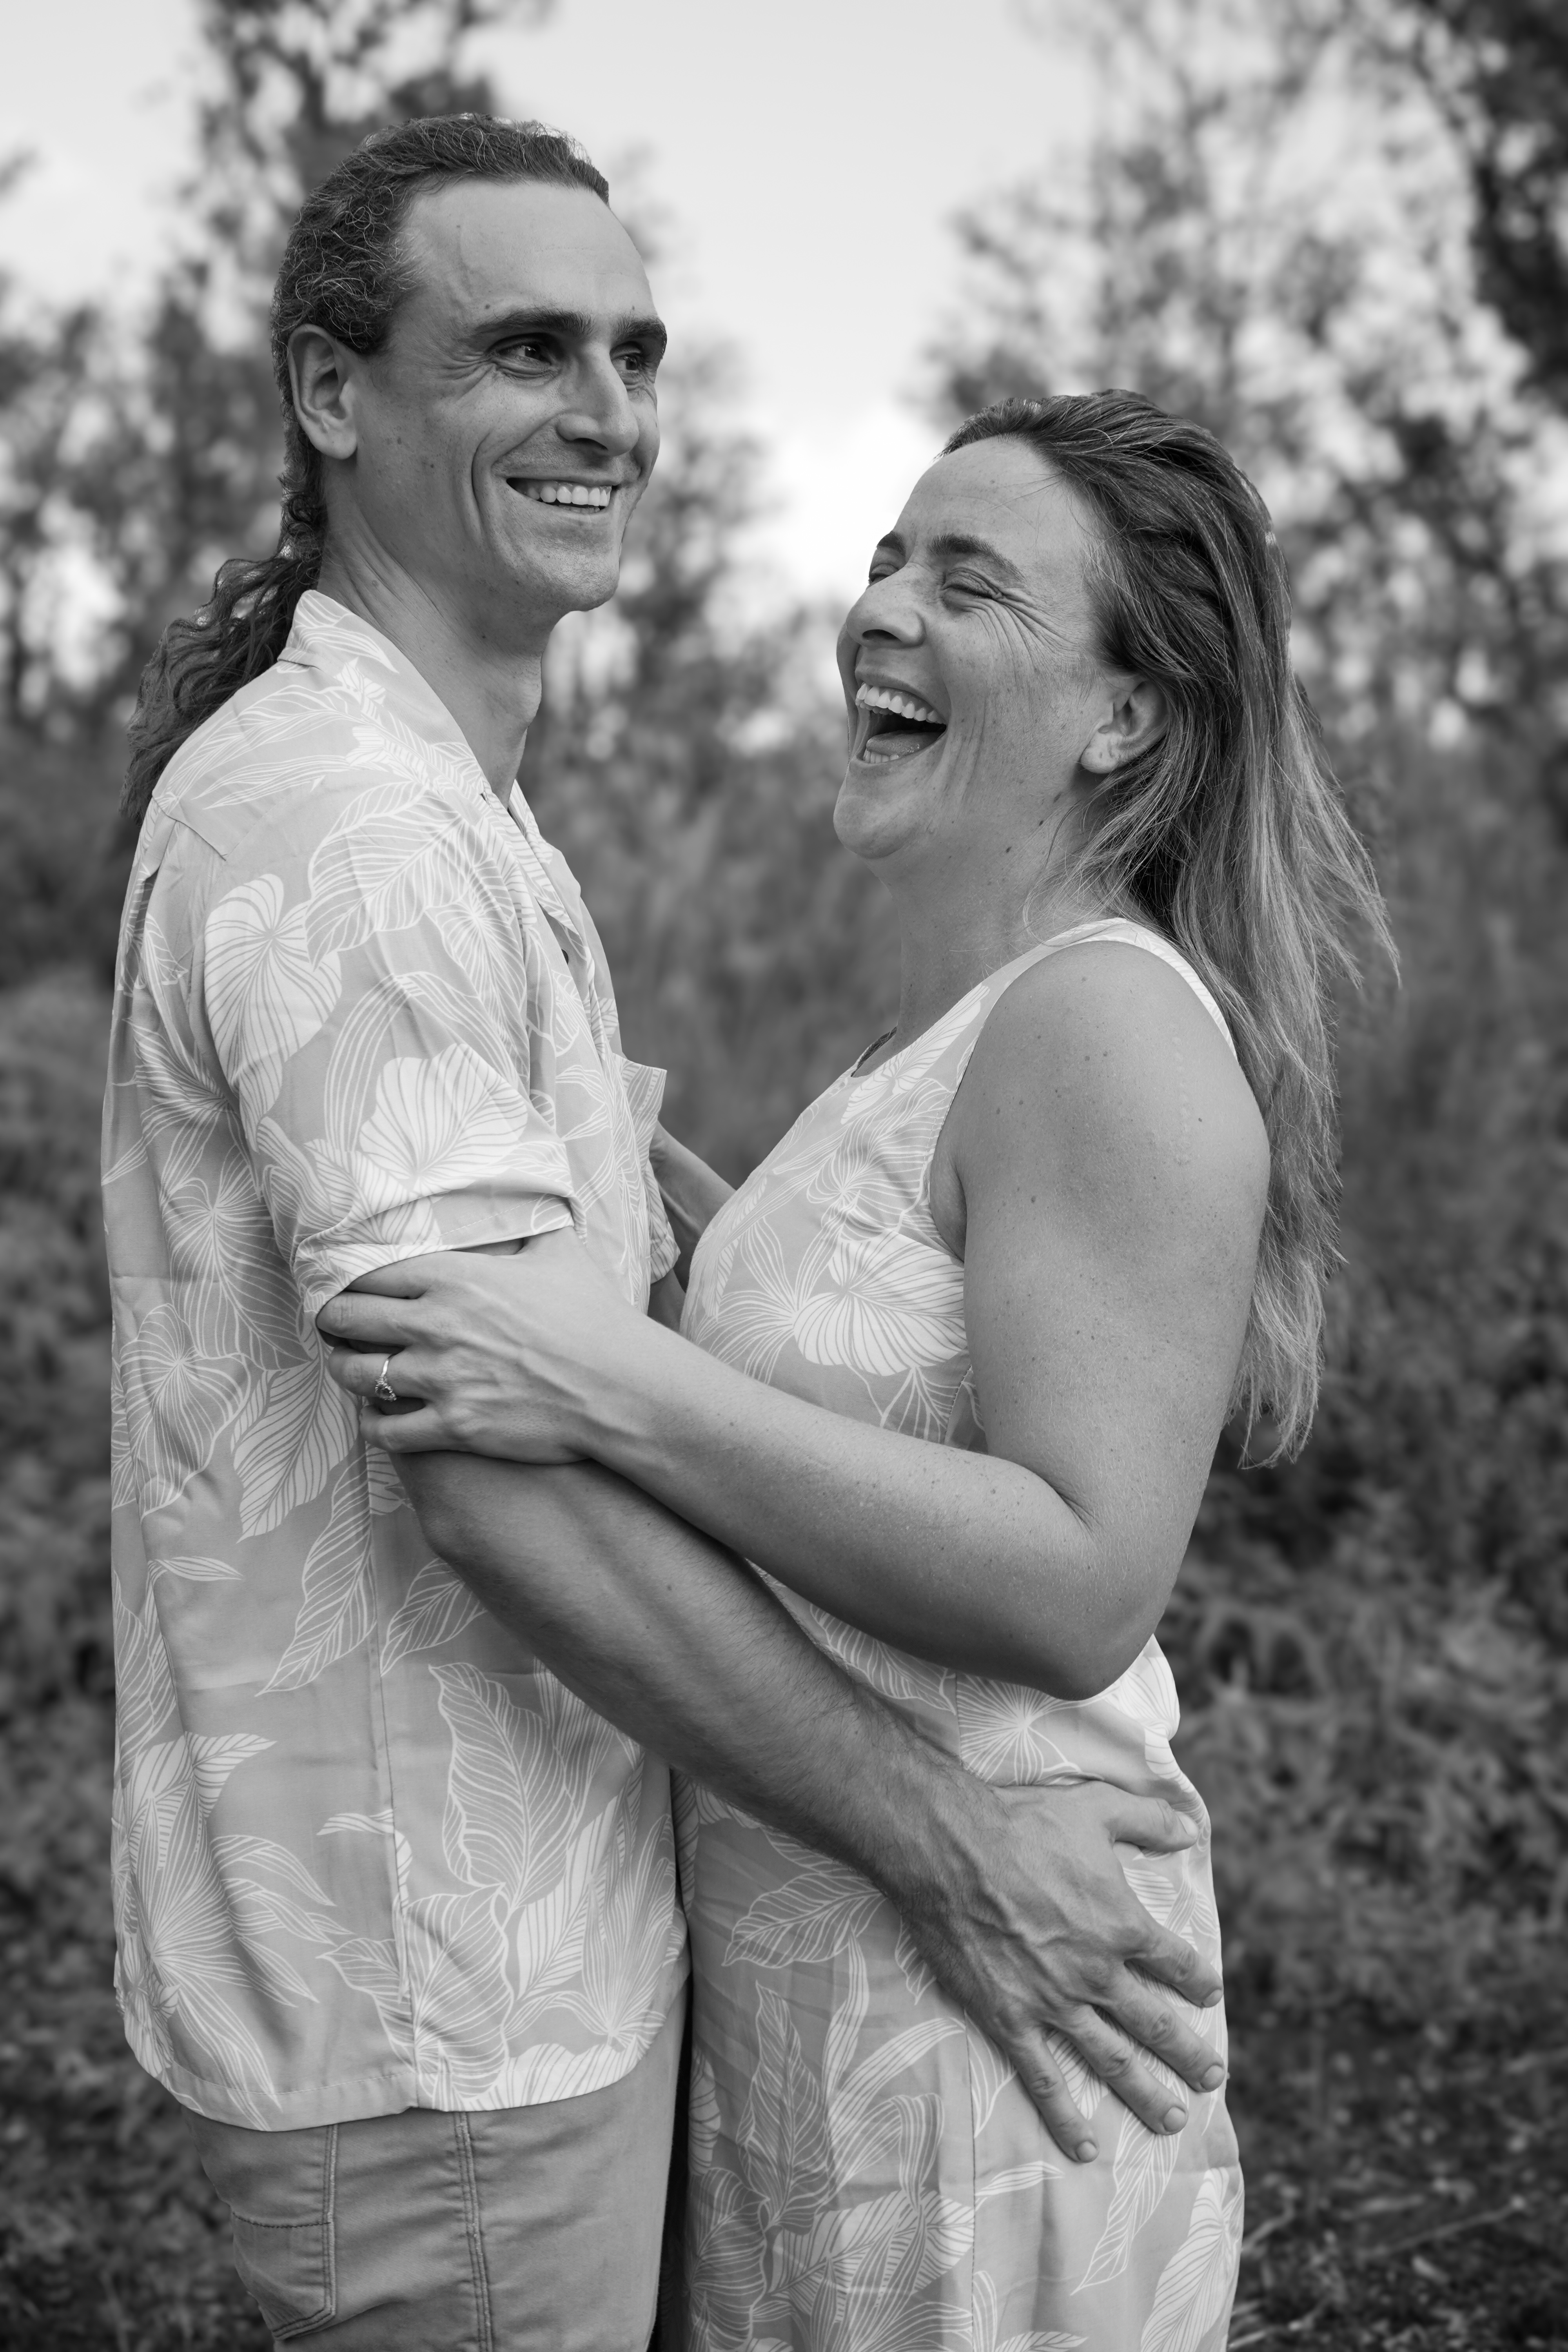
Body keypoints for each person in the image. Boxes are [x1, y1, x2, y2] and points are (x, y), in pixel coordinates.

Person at [105, 114, 1227, 2352]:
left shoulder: (461, 824)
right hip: (459, 1987)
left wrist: (638, 1328)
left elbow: (1034, 1527)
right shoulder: (361, 830)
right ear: (333, 395)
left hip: (685, 1986)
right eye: (525, 348)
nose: (608, 410)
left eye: (633, 351)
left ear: (1129, 715)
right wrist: (934, 1834)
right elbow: (494, 1461)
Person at [319, 389, 1391, 2347]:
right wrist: (687, 1247)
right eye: (890, 558)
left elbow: (1081, 1577)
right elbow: (907, 1382)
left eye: (968, 584)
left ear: (1123, 713)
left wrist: (614, 1380)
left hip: (996, 2015)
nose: (880, 608)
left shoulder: (1106, 1029)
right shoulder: (963, 1022)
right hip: (843, 1985)